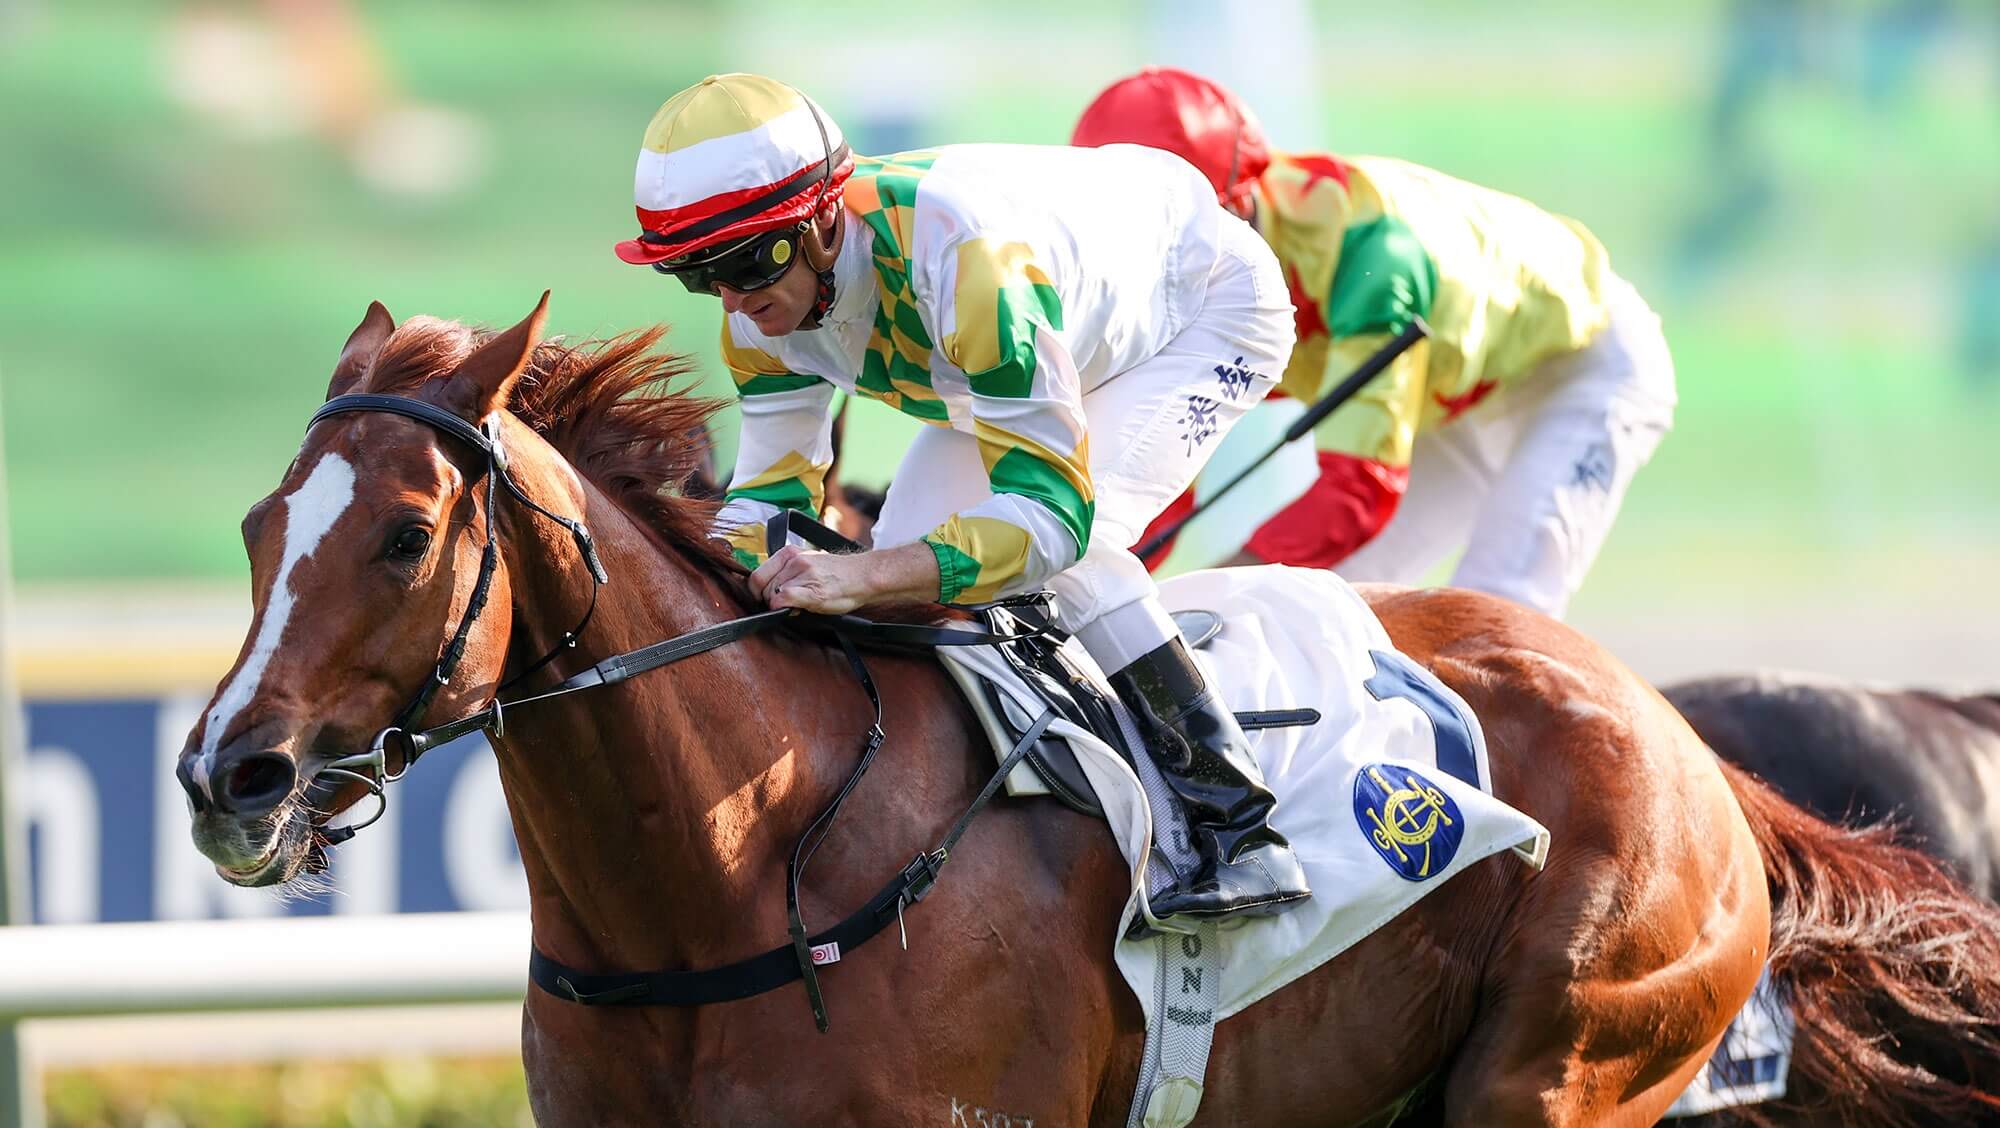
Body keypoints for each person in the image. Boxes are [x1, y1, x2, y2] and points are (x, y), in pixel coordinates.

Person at [612, 74, 1305, 925]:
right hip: (1033, 334)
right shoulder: (753, 314)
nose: (733, 298)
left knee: (1061, 561)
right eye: (695, 274)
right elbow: (767, 500)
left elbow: (1054, 520)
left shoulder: (965, 261)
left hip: (1200, 310)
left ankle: (1240, 828)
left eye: (750, 260)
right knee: (916, 551)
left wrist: (866, 574)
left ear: (826, 221)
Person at [1074, 68, 1677, 619]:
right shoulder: (1194, 269)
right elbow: (1160, 468)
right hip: (1444, 394)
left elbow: (1355, 490)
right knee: (1322, 611)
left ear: (1236, 204)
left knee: (1495, 612)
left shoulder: (1372, 260)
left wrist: (1213, 592)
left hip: (1581, 366)